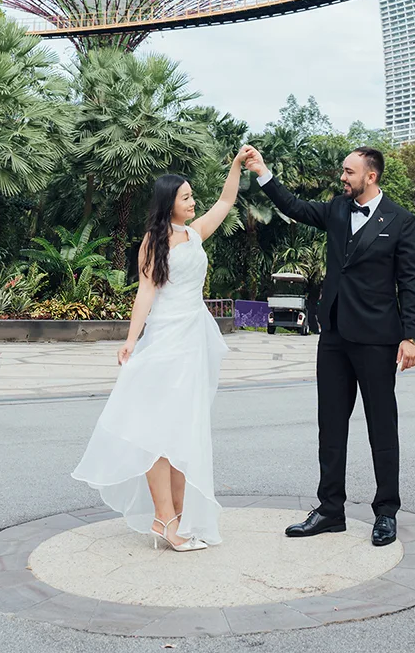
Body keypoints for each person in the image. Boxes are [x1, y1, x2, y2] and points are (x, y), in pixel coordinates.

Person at [241, 143, 415, 548]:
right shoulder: (337, 210)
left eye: (349, 171)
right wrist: (262, 172)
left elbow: (410, 283)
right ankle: (330, 510)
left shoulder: (402, 221)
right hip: (335, 336)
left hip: (378, 339)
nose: (342, 177)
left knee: (382, 427)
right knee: (331, 426)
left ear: (370, 176)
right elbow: (295, 206)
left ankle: (386, 512)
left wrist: (411, 336)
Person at [71, 153, 245, 550]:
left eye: (192, 196)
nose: (193, 202)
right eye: (186, 197)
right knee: (158, 432)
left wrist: (234, 165)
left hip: (193, 338)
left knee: (184, 431)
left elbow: (225, 202)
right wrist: (132, 339)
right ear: (169, 202)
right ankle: (165, 519)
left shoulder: (196, 233)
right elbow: (146, 291)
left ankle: (175, 521)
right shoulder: (153, 241)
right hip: (166, 340)